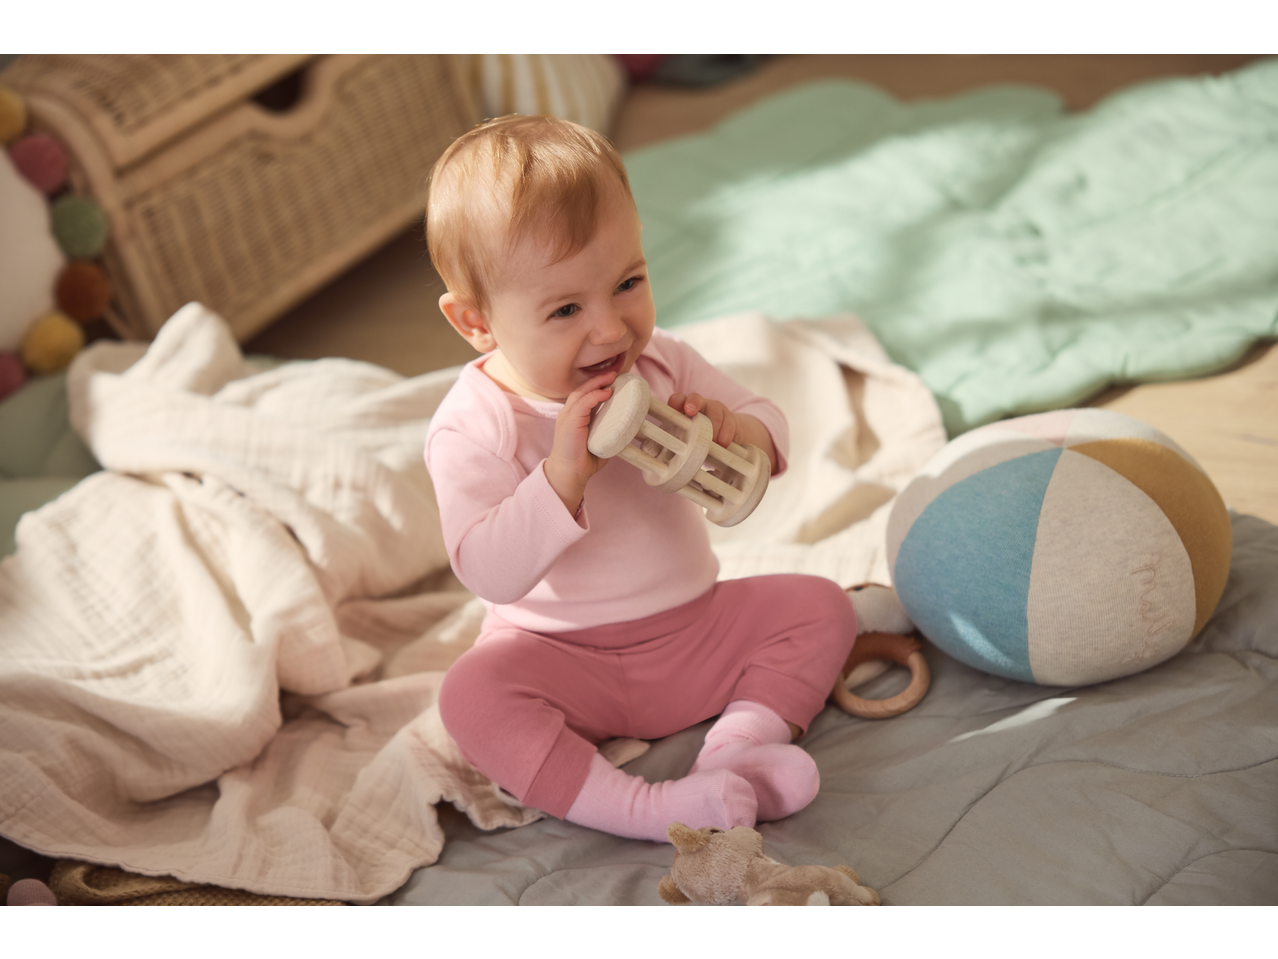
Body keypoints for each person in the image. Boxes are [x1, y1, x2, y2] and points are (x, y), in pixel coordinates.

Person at [424, 115, 864, 843]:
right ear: (476, 321)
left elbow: (769, 426)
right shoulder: (475, 423)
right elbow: (487, 569)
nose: (610, 330)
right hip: (562, 658)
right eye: (565, 308)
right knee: (472, 696)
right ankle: (643, 809)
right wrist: (561, 477)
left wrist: (734, 426)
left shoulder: (659, 361)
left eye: (627, 282)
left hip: (695, 631)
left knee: (820, 606)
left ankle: (739, 754)